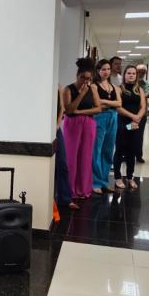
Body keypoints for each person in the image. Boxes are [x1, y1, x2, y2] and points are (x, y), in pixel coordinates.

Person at [62, 58, 103, 199]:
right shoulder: (68, 89)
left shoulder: (93, 89)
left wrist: (81, 112)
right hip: (72, 125)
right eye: (82, 78)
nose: (85, 81)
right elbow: (69, 110)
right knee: (71, 157)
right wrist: (81, 94)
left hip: (89, 125)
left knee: (85, 157)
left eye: (88, 79)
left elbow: (98, 109)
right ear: (77, 75)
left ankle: (83, 189)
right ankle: (69, 190)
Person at [113, 65, 146, 189]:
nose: (131, 75)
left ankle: (130, 177)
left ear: (136, 76)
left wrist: (137, 119)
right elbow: (118, 107)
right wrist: (133, 116)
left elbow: (143, 106)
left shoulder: (140, 90)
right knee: (120, 150)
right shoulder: (119, 89)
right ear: (124, 75)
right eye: (128, 73)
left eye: (133, 73)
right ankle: (117, 177)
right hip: (122, 122)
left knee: (132, 151)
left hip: (136, 123)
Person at [92, 60, 121, 194]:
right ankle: (95, 182)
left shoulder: (114, 87)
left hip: (113, 118)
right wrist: (111, 103)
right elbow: (97, 105)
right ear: (98, 71)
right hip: (100, 117)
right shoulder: (94, 86)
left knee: (108, 151)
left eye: (108, 69)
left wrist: (104, 101)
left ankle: (104, 182)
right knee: (97, 150)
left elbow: (119, 103)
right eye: (103, 69)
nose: (106, 72)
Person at [54, 84, 78, 210]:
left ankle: (65, 198)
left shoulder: (57, 85)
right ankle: (51, 198)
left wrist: (58, 124)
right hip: (40, 130)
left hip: (55, 129)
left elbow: (61, 107)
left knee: (62, 163)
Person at [132, 64, 149, 163]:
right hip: (130, 114)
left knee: (139, 135)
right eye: (139, 72)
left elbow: (145, 96)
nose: (140, 74)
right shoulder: (130, 82)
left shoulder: (146, 84)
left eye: (143, 72)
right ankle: (126, 154)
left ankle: (138, 155)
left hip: (142, 116)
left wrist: (134, 97)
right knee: (128, 133)